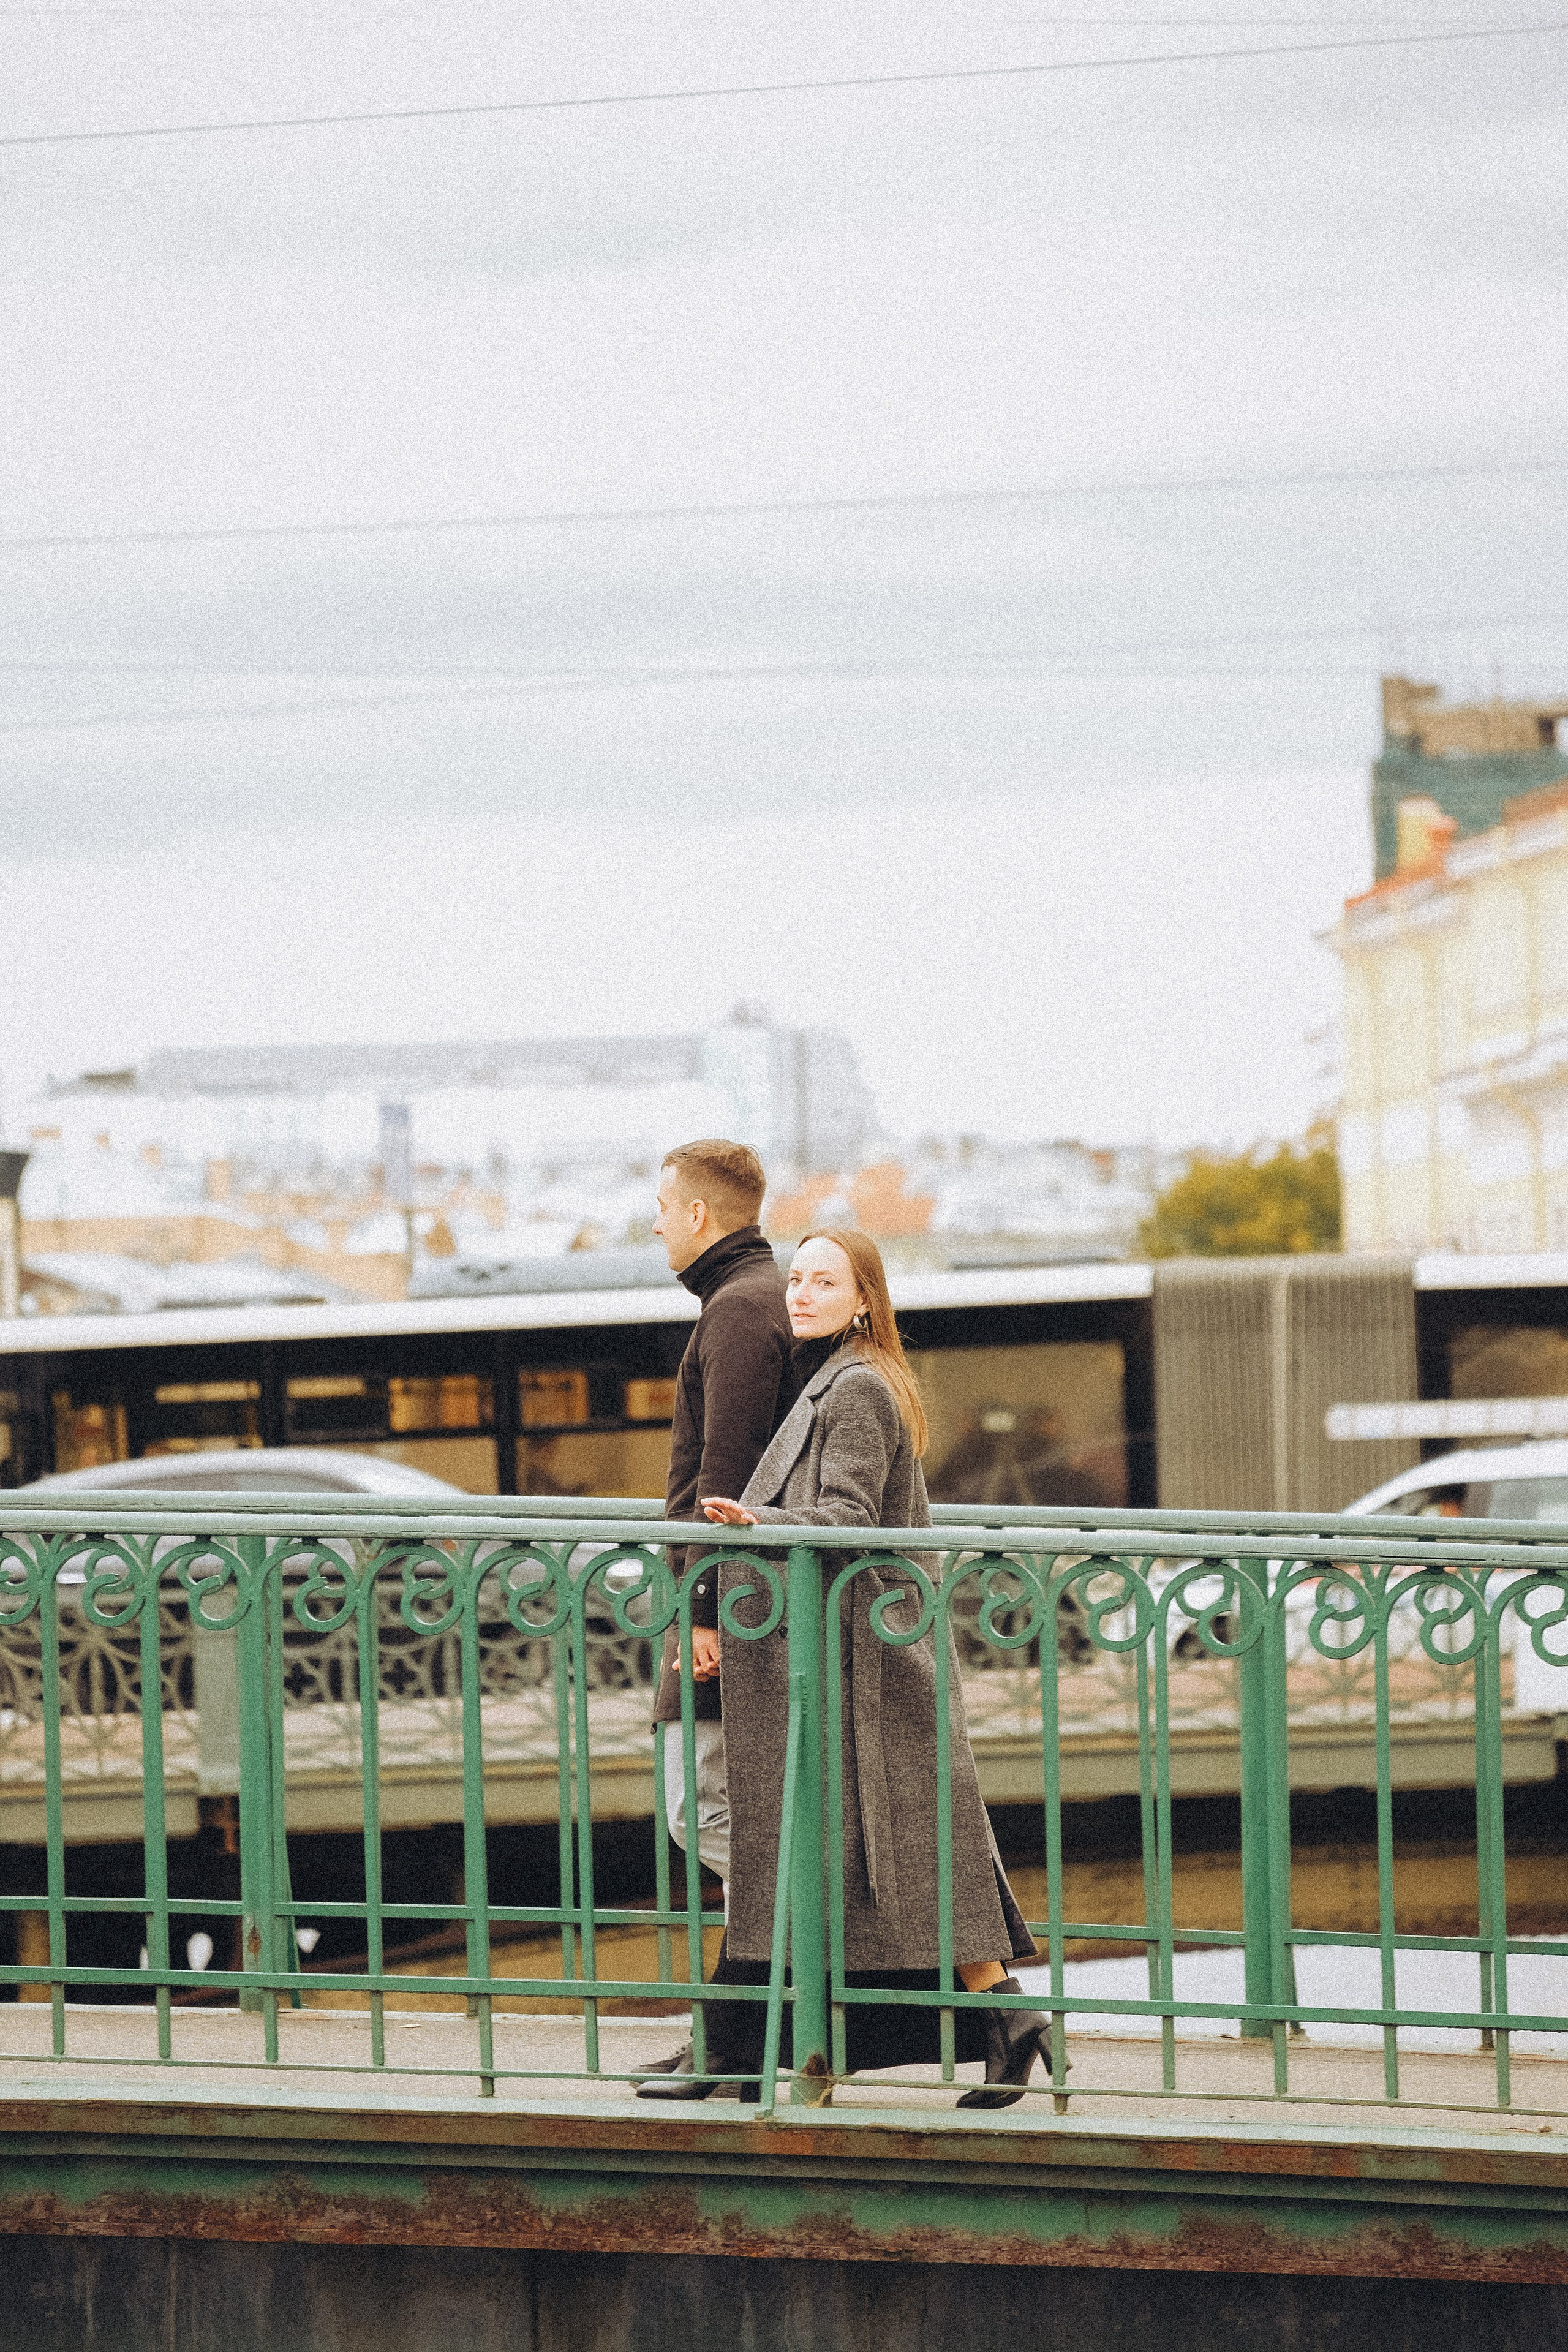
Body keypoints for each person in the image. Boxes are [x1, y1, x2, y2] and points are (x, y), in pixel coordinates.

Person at [687, 1228, 1053, 2109]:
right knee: (912, 1854)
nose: (801, 1294)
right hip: (862, 1651)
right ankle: (1004, 2023)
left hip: (860, 1662)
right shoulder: (845, 1378)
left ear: (864, 1301)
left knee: (901, 1853)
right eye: (798, 1279)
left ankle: (776, 2047)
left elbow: (846, 1512)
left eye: (825, 1282)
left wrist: (757, 1525)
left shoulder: (852, 1389)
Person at [636, 1139, 794, 2097]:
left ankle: (758, 2012)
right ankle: (740, 2031)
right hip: (740, 1599)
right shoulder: (747, 1298)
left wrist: (700, 1606)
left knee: (708, 1812)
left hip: (727, 1606)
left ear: (699, 1215)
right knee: (720, 1813)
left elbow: (724, 1475)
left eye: (661, 1204)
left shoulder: (737, 1310)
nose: (654, 1221)